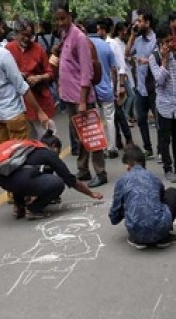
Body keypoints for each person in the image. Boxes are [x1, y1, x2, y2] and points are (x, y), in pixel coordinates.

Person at [0, 9, 51, 147]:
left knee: (6, 152)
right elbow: (21, 87)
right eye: (0, 26)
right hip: (12, 112)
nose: (2, 29)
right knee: (20, 153)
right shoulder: (3, 53)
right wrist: (39, 111)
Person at [50, 1, 107, 188]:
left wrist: (83, 100)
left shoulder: (79, 37)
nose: (59, 22)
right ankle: (83, 169)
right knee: (79, 136)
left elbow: (86, 71)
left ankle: (100, 171)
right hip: (69, 97)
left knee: (91, 134)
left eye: (63, 18)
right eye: (57, 19)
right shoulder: (64, 35)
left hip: (80, 97)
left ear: (70, 16)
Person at [0, 132, 103, 219]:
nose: (58, 154)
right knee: (58, 183)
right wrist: (91, 194)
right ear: (54, 146)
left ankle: (19, 208)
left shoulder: (29, 147)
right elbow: (70, 180)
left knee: (21, 174)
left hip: (2, 179)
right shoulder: (48, 154)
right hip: (21, 180)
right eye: (58, 151)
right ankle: (33, 209)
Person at [110, 145, 176, 249]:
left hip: (135, 233)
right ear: (144, 164)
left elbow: (114, 218)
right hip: (160, 230)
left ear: (127, 166)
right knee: (173, 192)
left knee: (127, 199)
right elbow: (161, 198)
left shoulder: (122, 181)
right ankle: (164, 236)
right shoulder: (154, 177)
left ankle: (139, 238)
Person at [150, 24, 176, 183]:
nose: (169, 44)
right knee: (164, 139)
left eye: (170, 40)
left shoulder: (175, 56)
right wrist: (164, 60)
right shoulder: (153, 58)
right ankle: (168, 169)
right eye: (166, 41)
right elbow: (159, 81)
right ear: (159, 42)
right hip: (164, 106)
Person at [7, 18, 57, 140]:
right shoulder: (8, 50)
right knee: (29, 142)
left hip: (40, 99)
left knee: (48, 139)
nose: (27, 39)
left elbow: (50, 73)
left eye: (30, 36)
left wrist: (39, 77)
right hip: (20, 104)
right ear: (16, 33)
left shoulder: (38, 49)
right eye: (23, 35)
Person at [125, 9, 158, 159]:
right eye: (136, 21)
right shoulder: (137, 39)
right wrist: (132, 35)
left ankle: (161, 150)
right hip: (141, 87)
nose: (137, 23)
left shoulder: (155, 40)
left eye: (140, 21)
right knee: (141, 119)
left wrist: (149, 60)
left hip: (155, 87)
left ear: (148, 23)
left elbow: (160, 59)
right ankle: (148, 148)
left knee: (159, 120)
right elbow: (127, 53)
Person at [86, 19, 120, 160]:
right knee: (110, 118)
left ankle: (101, 146)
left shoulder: (84, 46)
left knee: (95, 120)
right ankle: (112, 147)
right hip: (106, 88)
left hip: (90, 90)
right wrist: (115, 87)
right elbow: (114, 69)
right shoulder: (106, 46)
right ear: (97, 29)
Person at [101, 19, 134, 152]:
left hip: (114, 84)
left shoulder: (113, 44)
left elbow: (121, 66)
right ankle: (118, 140)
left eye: (100, 29)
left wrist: (120, 86)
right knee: (113, 115)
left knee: (118, 113)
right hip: (106, 83)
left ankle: (127, 138)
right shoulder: (102, 44)